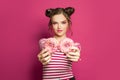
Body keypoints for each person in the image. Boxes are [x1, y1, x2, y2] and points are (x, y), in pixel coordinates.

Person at [37, 7, 81, 80]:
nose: (59, 27)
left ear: (68, 24)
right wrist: (41, 57)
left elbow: (77, 49)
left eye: (63, 22)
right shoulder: (44, 42)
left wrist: (77, 55)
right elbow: (42, 46)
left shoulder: (72, 45)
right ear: (51, 25)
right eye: (55, 23)